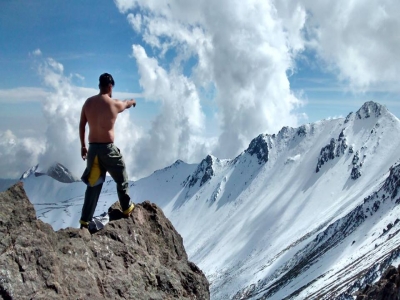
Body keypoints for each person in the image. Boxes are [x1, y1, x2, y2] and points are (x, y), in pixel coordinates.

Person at [79, 73, 136, 229]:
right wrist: (132, 101)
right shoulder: (114, 104)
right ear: (111, 86)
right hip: (108, 150)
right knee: (121, 175)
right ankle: (126, 208)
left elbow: (82, 125)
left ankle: (85, 221)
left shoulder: (88, 103)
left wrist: (83, 146)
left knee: (93, 185)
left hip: (92, 150)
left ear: (99, 85)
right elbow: (125, 104)